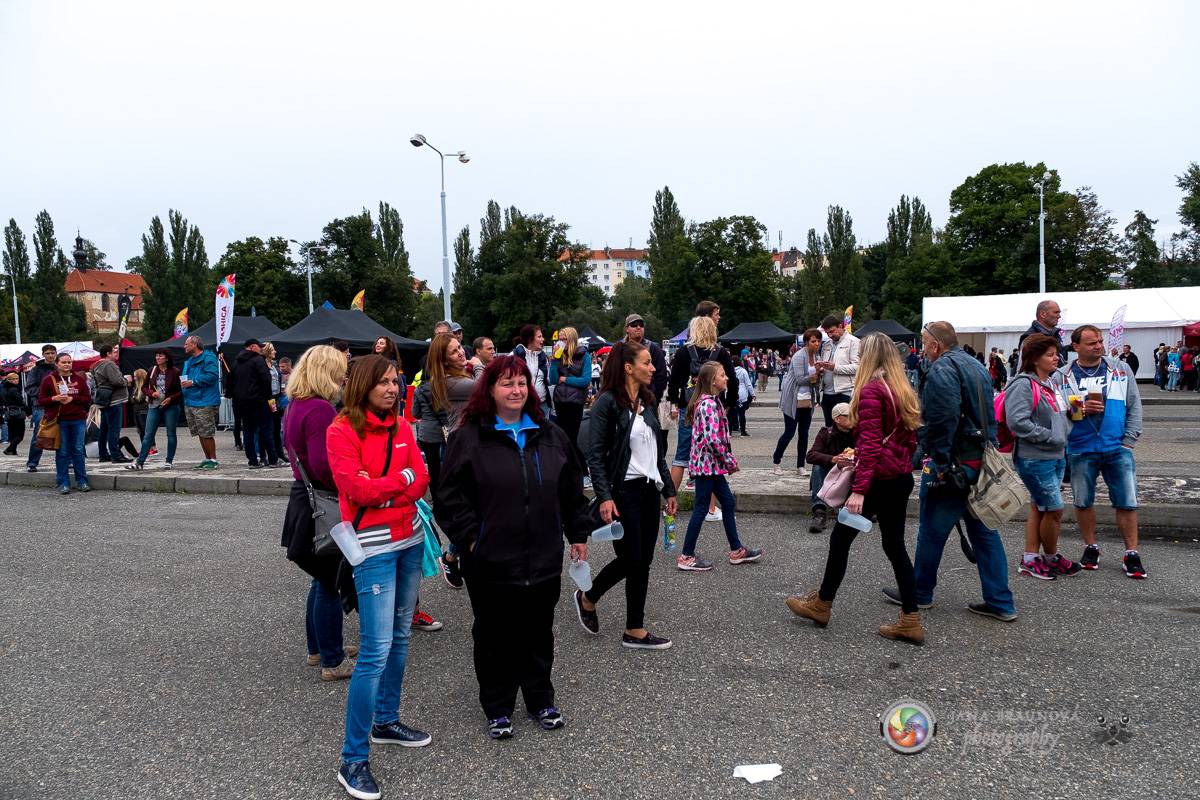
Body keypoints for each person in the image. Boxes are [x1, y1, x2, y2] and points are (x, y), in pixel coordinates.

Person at [435, 355, 592, 737]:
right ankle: (497, 705)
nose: (516, 390)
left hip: (542, 555)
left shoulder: (550, 434)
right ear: (489, 389)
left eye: (521, 383)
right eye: (506, 383)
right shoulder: (468, 437)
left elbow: (571, 490)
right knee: (493, 634)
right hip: (489, 559)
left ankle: (541, 699)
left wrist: (578, 534)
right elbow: (448, 497)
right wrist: (472, 536)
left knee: (538, 631)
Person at [325, 354, 432, 800]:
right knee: (375, 650)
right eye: (384, 382)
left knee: (401, 637)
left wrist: (392, 482)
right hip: (372, 549)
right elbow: (358, 490)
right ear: (363, 384)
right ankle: (353, 761)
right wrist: (397, 482)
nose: (393, 388)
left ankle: (386, 721)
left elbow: (422, 480)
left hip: (409, 540)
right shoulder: (341, 430)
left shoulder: (403, 425)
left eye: (396, 381)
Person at [786, 333, 924, 644]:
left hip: (877, 480)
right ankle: (911, 618)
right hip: (899, 477)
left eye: (862, 354)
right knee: (894, 546)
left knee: (840, 540)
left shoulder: (873, 391)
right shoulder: (902, 390)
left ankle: (822, 604)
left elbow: (872, 445)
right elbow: (910, 441)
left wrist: (860, 489)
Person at [882, 321, 1017, 622]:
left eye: (925, 343)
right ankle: (1000, 601)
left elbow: (943, 419)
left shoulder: (942, 369)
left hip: (955, 462)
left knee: (931, 530)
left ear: (934, 345)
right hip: (978, 458)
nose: (924, 348)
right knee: (984, 532)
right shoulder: (977, 365)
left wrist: (939, 461)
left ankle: (920, 592)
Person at [579, 341, 678, 650]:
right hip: (624, 491)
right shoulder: (607, 403)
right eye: (647, 363)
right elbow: (595, 456)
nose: (653, 368)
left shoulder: (647, 401)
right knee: (631, 558)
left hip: (649, 490)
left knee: (642, 560)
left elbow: (657, 454)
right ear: (627, 367)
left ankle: (633, 627)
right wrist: (605, 496)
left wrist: (669, 489)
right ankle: (590, 597)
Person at [279, 345, 357, 682]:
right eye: (340, 369)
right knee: (328, 582)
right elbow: (324, 465)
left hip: (303, 500)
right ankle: (332, 659)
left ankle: (319, 648)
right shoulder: (320, 409)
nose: (344, 376)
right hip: (321, 502)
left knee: (320, 580)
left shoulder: (296, 404)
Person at [1052, 324, 1147, 578]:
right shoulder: (1062, 376)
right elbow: (1057, 413)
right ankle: (1090, 546)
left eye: (1100, 341)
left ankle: (1131, 553)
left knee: (1127, 501)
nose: (1099, 345)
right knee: (1083, 501)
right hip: (1081, 447)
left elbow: (1134, 404)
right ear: (1076, 347)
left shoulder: (1120, 368)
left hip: (1117, 447)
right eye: (1092, 342)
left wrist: (1129, 440)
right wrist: (1081, 408)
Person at [1005, 334, 1078, 580]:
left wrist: (1072, 415)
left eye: (1056, 353)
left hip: (1055, 455)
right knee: (1054, 508)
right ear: (1034, 359)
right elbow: (1017, 421)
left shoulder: (1051, 383)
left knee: (1041, 506)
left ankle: (1034, 558)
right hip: (1035, 458)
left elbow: (1058, 416)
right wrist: (1049, 436)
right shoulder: (1023, 384)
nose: (1056, 357)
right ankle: (1048, 556)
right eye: (1050, 354)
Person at [676, 361, 762, 571]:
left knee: (728, 502)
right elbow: (713, 440)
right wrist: (730, 461)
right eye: (723, 375)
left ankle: (736, 550)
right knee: (701, 508)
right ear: (712, 381)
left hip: (711, 466)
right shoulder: (708, 405)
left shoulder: (712, 402)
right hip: (707, 466)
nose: (727, 378)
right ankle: (686, 555)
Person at [411, 332, 475, 607]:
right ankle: (455, 556)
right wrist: (481, 363)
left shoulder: (463, 376)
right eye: (454, 351)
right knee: (472, 510)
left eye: (460, 347)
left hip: (464, 445)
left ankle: (453, 555)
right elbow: (490, 386)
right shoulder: (452, 382)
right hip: (459, 448)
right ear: (442, 360)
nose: (461, 353)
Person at [666, 315, 738, 520]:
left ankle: (670, 501)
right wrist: (728, 405)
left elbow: (673, 382)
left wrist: (676, 402)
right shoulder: (720, 352)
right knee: (712, 458)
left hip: (688, 408)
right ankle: (711, 509)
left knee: (680, 457)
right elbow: (732, 381)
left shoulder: (683, 352)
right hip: (713, 408)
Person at [39, 353, 91, 494]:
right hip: (59, 420)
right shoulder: (49, 380)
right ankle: (63, 483)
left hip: (78, 419)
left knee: (79, 451)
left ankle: (82, 481)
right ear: (57, 364)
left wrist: (72, 399)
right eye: (64, 362)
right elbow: (41, 400)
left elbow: (87, 398)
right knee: (62, 452)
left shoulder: (79, 379)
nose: (67, 364)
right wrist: (54, 398)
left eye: (69, 362)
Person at [774, 328, 821, 476]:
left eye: (819, 341)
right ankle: (776, 461)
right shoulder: (799, 356)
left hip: (807, 400)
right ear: (806, 342)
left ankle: (801, 465)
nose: (817, 344)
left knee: (804, 433)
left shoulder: (817, 356)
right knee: (789, 432)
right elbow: (801, 379)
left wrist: (818, 376)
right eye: (813, 341)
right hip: (793, 398)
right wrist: (816, 375)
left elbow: (814, 382)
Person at [125, 350, 182, 470]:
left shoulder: (175, 371)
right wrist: (152, 393)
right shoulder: (152, 370)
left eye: (161, 355)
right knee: (148, 435)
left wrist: (170, 398)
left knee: (171, 434)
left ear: (167, 358)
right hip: (154, 405)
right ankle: (139, 462)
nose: (158, 357)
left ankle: (169, 461)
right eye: (156, 355)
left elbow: (181, 391)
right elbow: (144, 387)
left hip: (171, 406)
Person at [805, 402, 856, 533]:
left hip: (850, 472)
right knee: (817, 466)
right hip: (832, 473)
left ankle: (859, 507)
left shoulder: (858, 433)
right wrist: (833, 459)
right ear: (837, 419)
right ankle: (819, 512)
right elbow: (810, 455)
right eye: (849, 415)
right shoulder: (825, 433)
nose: (854, 418)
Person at [231, 338, 279, 468]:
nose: (261, 349)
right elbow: (266, 379)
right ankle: (273, 459)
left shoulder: (236, 361)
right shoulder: (258, 360)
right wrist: (269, 397)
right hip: (260, 401)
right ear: (252, 347)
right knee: (266, 429)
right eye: (259, 346)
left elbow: (230, 381)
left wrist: (234, 397)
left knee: (248, 431)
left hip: (242, 402)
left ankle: (252, 461)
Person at [180, 335, 221, 470]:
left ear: (195, 345)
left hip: (205, 401)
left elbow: (212, 375)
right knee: (200, 432)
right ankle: (207, 458)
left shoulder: (208, 358)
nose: (184, 346)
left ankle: (213, 460)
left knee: (206, 432)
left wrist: (193, 382)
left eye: (186, 344)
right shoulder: (189, 361)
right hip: (191, 401)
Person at [548, 326, 591, 451]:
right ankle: (567, 467)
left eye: (564, 339)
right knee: (562, 438)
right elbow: (553, 379)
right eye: (559, 339)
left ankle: (579, 468)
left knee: (571, 439)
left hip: (575, 402)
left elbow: (585, 380)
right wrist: (555, 361)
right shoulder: (559, 356)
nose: (560, 342)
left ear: (571, 339)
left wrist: (565, 379)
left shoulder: (584, 356)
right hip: (560, 401)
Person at [815, 314, 860, 428]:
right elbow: (826, 365)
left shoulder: (853, 342)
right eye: (827, 333)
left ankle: (847, 447)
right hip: (827, 393)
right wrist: (820, 369)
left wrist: (835, 368)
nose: (830, 335)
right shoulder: (826, 344)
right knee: (830, 429)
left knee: (846, 428)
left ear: (840, 326)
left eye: (832, 331)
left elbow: (858, 367)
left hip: (844, 392)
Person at [92, 344, 132, 464]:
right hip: (114, 400)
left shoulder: (96, 365)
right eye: (114, 352)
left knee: (104, 429)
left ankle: (103, 454)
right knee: (114, 429)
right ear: (108, 354)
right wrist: (126, 380)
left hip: (104, 400)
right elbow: (116, 381)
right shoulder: (109, 364)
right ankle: (116, 455)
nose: (116, 354)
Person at [23, 344, 59, 473]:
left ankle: (65, 460)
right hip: (41, 406)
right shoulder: (36, 370)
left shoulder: (59, 367)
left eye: (52, 353)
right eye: (48, 353)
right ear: (43, 354)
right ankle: (32, 462)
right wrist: (46, 393)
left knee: (61, 434)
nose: (50, 355)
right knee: (39, 434)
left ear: (56, 353)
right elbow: (29, 388)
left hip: (59, 405)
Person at [1017, 299, 1068, 368]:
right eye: (1056, 312)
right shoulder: (1030, 337)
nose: (1059, 316)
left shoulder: (1055, 334)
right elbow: (1024, 367)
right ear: (1043, 314)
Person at [263, 343, 289, 464]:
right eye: (273, 350)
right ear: (267, 351)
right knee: (270, 428)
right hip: (268, 399)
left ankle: (279, 453)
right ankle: (269, 455)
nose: (275, 352)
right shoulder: (263, 365)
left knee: (276, 427)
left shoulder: (273, 365)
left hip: (275, 399)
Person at [511, 324, 550, 405]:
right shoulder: (514, 355)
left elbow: (548, 380)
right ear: (530, 339)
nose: (543, 339)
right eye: (539, 337)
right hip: (523, 404)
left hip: (542, 403)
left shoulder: (543, 357)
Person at [2, 371, 26, 455]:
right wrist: (27, 410)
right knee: (20, 434)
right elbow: (20, 401)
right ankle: (9, 449)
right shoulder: (14, 389)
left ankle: (13, 450)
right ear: (9, 380)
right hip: (17, 412)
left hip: (9, 412)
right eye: (14, 379)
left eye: (17, 378)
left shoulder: (4, 389)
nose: (16, 380)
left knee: (13, 433)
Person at [731, 358, 754, 436]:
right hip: (742, 393)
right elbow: (748, 383)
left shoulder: (730, 370)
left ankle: (729, 431)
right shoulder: (743, 371)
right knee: (742, 413)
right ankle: (743, 431)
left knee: (731, 413)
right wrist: (752, 393)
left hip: (732, 392)